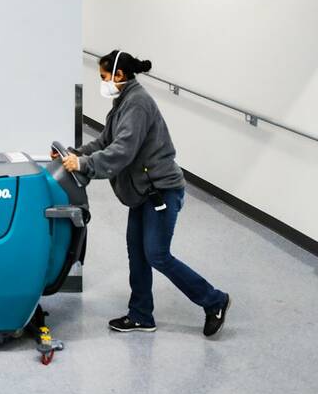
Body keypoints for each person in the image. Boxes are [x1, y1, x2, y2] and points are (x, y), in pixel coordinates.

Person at [56, 49, 231, 336]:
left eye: (104, 76)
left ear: (119, 75)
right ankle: (140, 316)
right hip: (142, 192)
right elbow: (105, 140)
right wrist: (75, 154)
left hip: (160, 192)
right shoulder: (124, 100)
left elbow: (122, 150)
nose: (102, 82)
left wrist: (84, 164)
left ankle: (214, 300)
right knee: (137, 253)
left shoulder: (137, 104)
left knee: (157, 255)